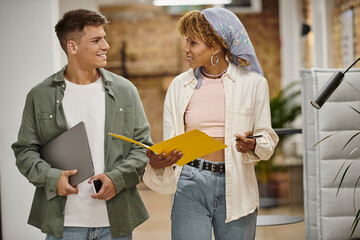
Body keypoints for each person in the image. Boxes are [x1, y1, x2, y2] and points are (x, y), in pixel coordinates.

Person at [11, 9, 152, 239]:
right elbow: (25, 151)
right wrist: (52, 178)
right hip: (64, 224)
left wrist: (116, 179)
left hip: (115, 223)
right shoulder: (40, 95)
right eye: (96, 40)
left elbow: (142, 147)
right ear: (72, 47)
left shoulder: (125, 91)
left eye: (104, 38)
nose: (106, 45)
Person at [143, 7, 279, 240]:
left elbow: (267, 139)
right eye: (186, 41)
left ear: (215, 47)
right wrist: (159, 160)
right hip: (190, 182)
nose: (186, 49)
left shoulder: (253, 84)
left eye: (193, 43)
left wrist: (253, 144)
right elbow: (171, 142)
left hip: (237, 185)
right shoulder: (179, 86)